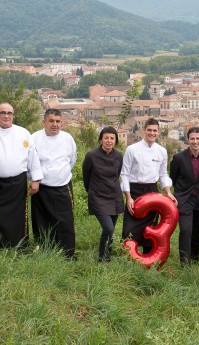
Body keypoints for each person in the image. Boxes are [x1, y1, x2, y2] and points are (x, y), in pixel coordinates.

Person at [0, 103, 42, 248]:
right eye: (2, 113)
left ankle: (18, 245)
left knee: (17, 217)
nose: (6, 116)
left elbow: (33, 157)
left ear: (13, 116)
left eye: (9, 113)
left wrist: (36, 179)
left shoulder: (23, 133)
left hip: (17, 183)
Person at [120, 118, 176, 254]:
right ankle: (129, 258)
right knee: (129, 230)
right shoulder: (132, 149)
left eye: (155, 131)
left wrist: (168, 192)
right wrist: (128, 198)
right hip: (134, 191)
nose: (152, 133)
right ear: (144, 130)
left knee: (150, 228)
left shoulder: (162, 151)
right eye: (149, 130)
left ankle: (149, 258)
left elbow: (163, 174)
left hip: (152, 192)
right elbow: (124, 175)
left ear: (158, 132)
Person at [31, 109, 77, 258]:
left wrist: (61, 174)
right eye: (51, 121)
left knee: (66, 220)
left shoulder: (67, 138)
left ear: (61, 122)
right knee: (41, 220)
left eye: (58, 121)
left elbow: (72, 160)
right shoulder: (34, 138)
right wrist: (35, 180)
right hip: (41, 188)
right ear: (43, 122)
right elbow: (30, 162)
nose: (55, 125)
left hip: (63, 186)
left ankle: (67, 253)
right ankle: (44, 251)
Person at [170, 126, 199, 265]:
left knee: (197, 230)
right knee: (185, 230)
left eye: (198, 139)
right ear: (188, 140)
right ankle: (185, 262)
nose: (195, 142)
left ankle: (194, 259)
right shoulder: (178, 158)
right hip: (184, 199)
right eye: (192, 139)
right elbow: (173, 177)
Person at [82, 126, 123, 261]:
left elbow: (117, 175)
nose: (109, 141)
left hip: (114, 196)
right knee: (108, 228)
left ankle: (107, 256)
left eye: (112, 138)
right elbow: (86, 177)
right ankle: (102, 257)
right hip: (98, 197)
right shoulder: (91, 156)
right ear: (101, 139)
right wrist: (92, 191)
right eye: (106, 138)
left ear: (115, 141)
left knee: (110, 230)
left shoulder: (118, 156)